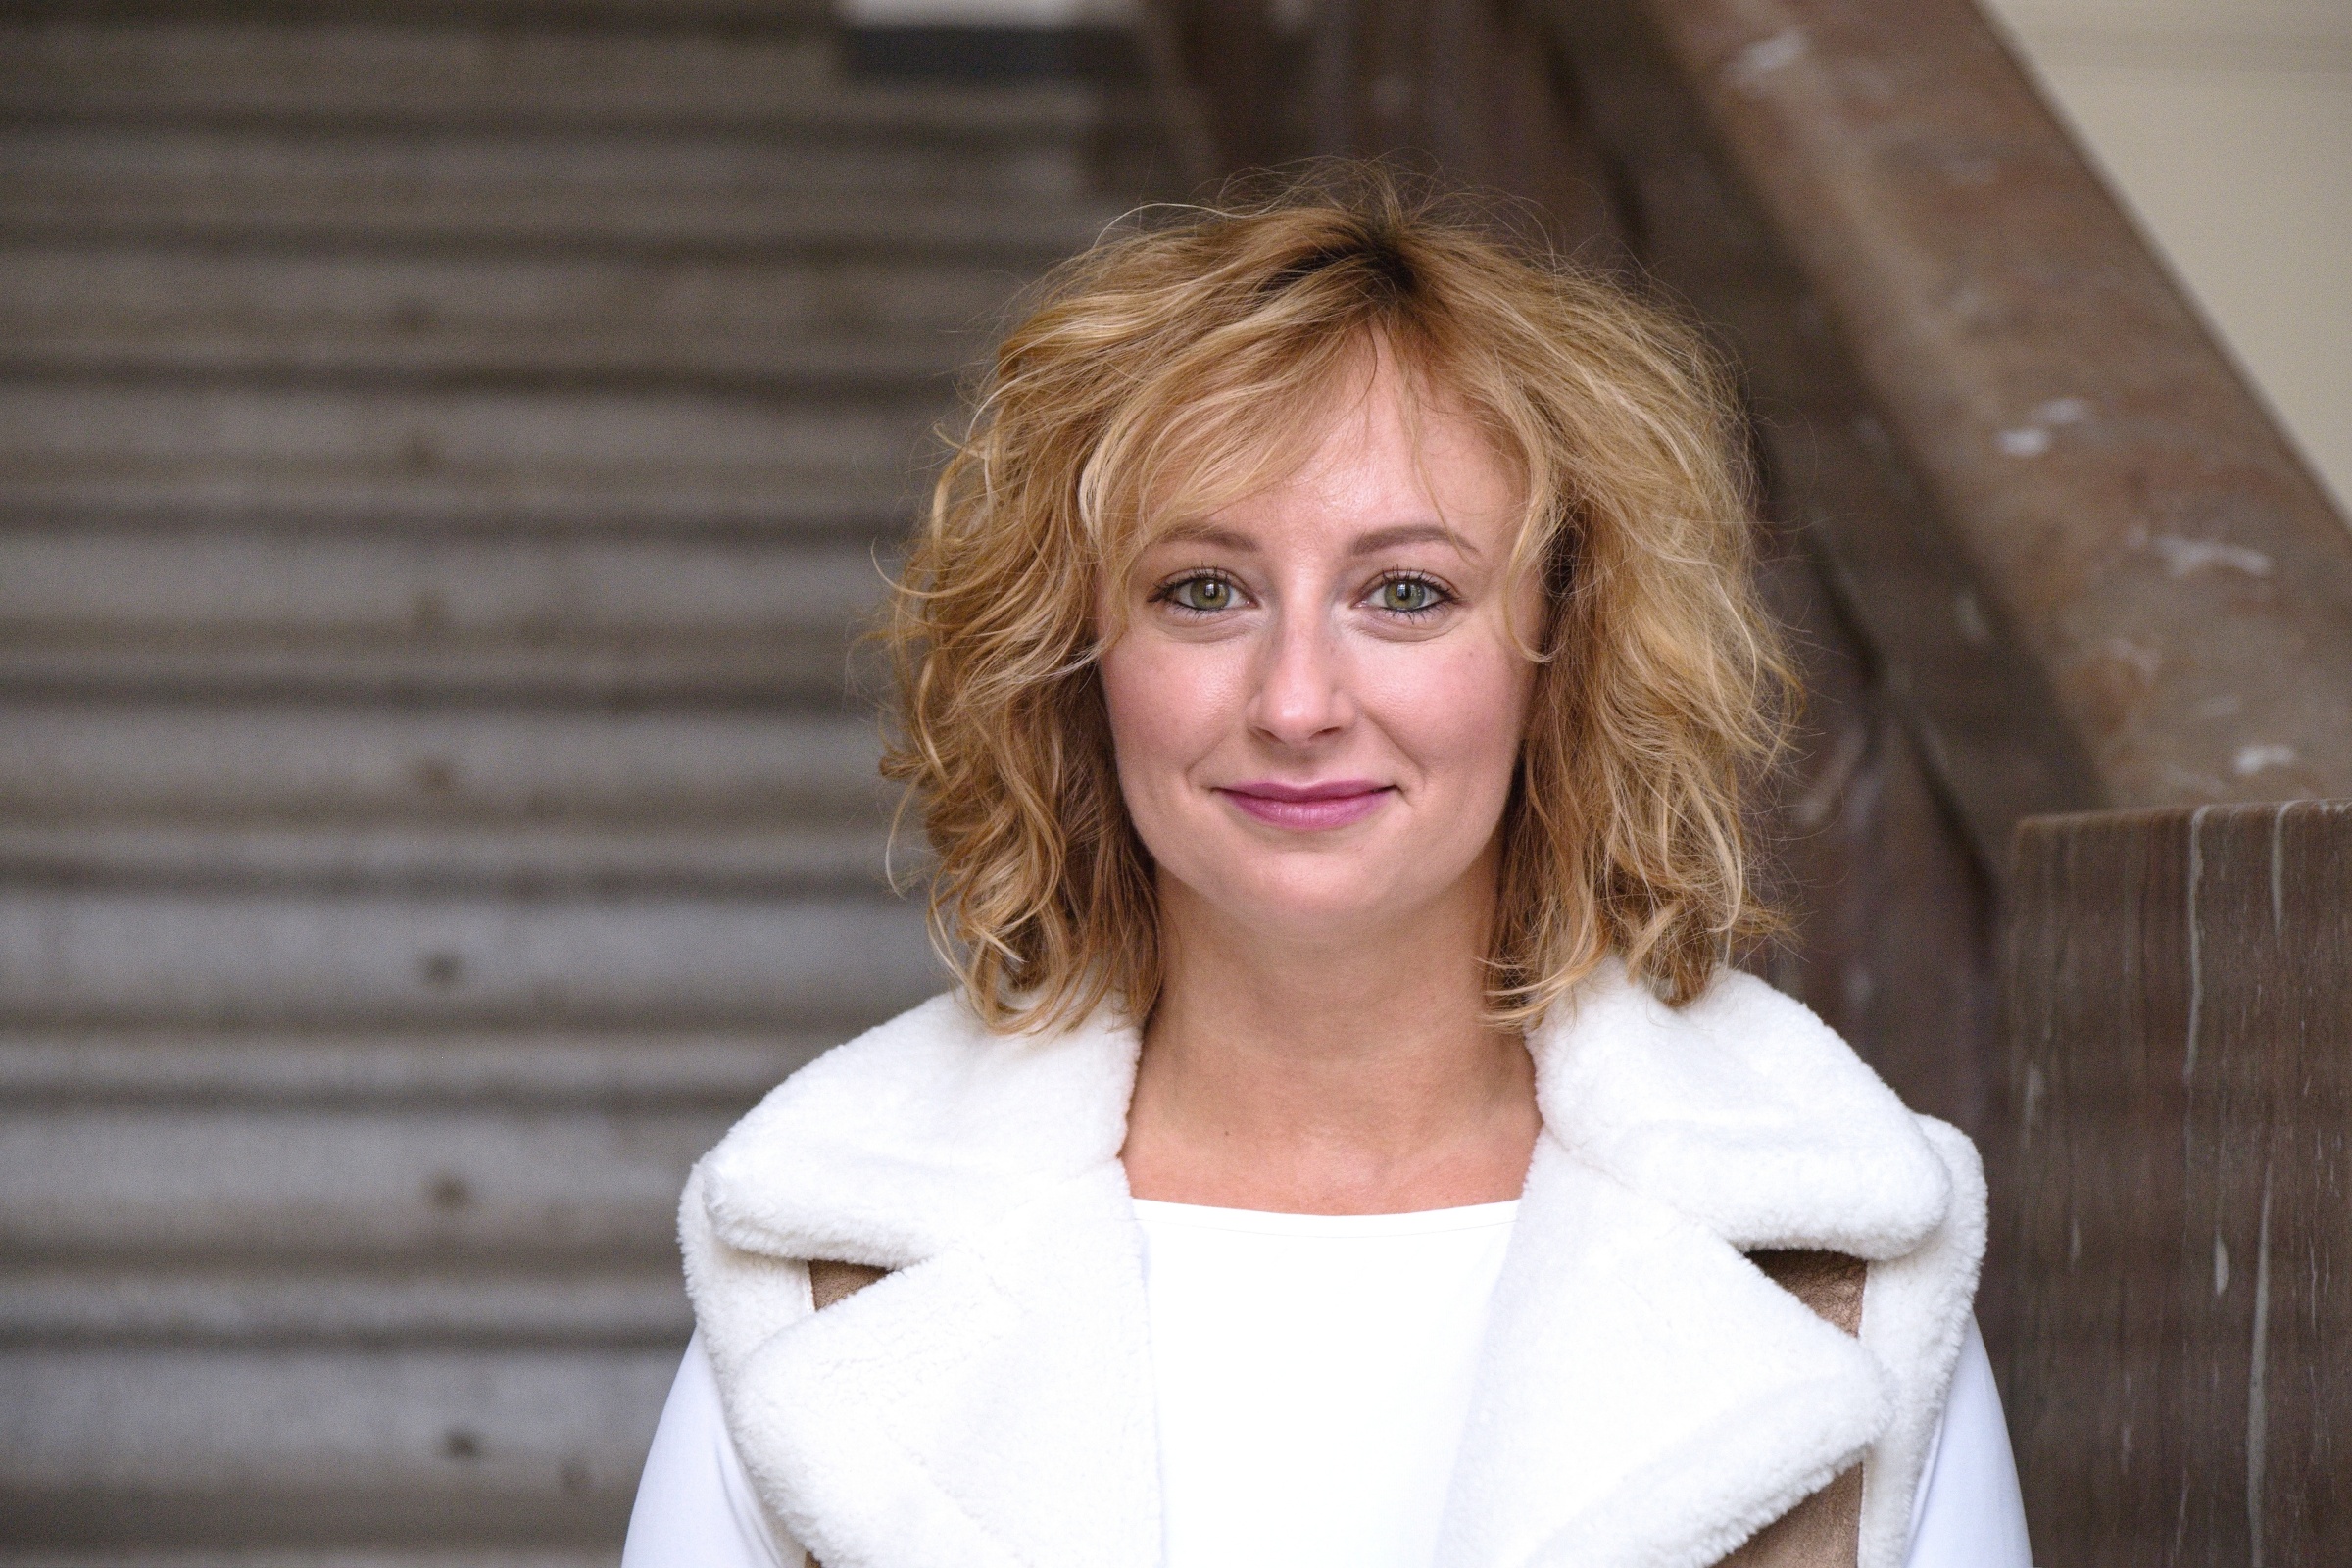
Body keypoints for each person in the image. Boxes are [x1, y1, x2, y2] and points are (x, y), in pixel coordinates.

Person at [620, 173, 2034, 1568]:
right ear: (1075, 658)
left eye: (1406, 593)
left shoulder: (1835, 1267)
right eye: (1204, 591)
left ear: (1564, 649)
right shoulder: (825, 1261)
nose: (1296, 703)